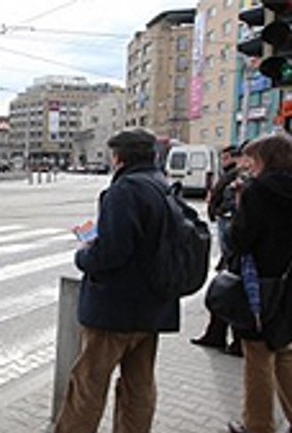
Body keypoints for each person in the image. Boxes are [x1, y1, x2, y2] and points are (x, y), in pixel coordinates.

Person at [53, 128, 180, 433]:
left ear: (119, 157)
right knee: (139, 385)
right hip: (152, 305)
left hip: (115, 309)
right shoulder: (162, 185)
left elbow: (111, 253)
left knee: (88, 383)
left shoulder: (125, 190)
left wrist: (84, 255)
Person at [227, 134, 292, 433]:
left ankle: (258, 425)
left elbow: (239, 240)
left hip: (260, 286)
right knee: (284, 351)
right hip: (288, 285)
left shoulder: (259, 191)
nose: (250, 166)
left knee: (257, 356)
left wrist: (240, 205)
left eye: (254, 159)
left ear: (267, 159)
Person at [192, 145, 244, 357]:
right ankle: (216, 334)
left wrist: (224, 209)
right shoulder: (238, 177)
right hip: (236, 249)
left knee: (234, 291)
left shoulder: (251, 182)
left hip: (245, 253)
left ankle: (237, 339)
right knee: (226, 289)